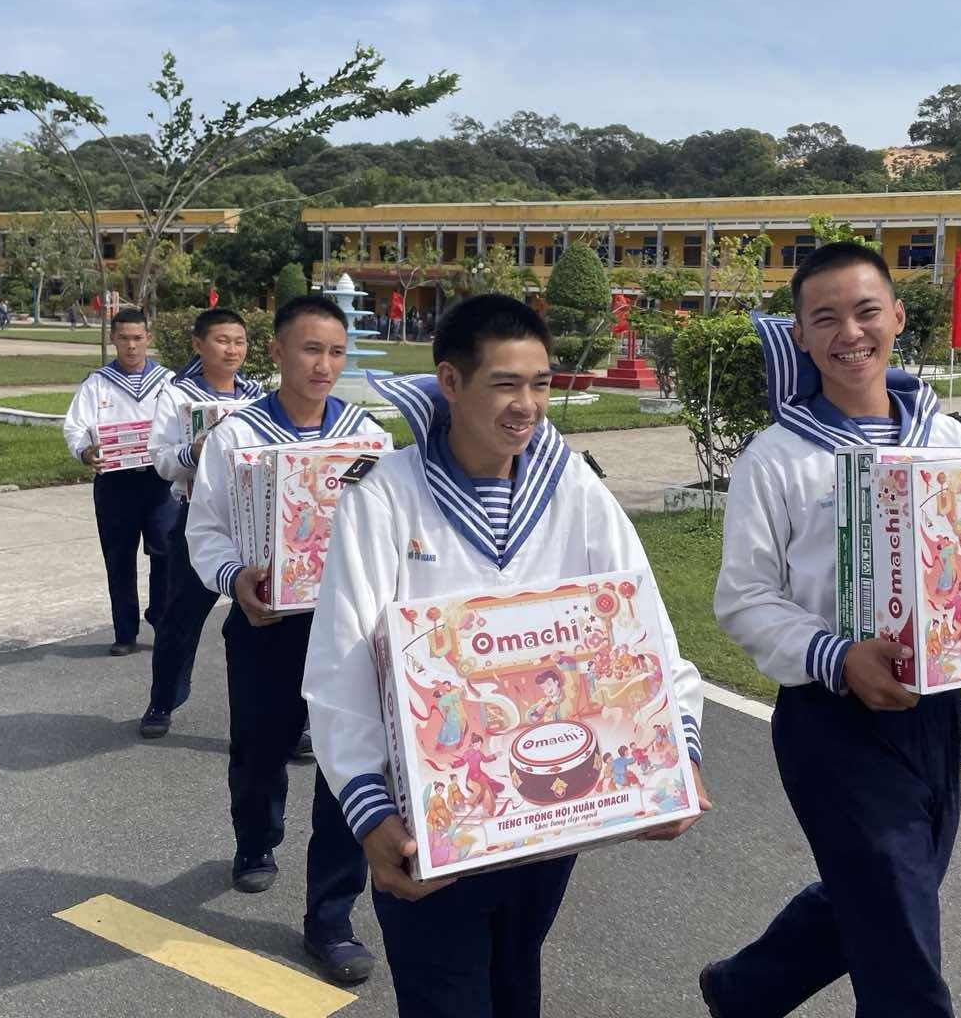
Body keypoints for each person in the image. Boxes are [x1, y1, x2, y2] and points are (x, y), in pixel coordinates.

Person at [699, 243, 961, 1018]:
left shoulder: (946, 439)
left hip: (934, 712)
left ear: (897, 317)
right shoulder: (778, 458)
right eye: (824, 318)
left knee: (889, 894)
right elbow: (744, 597)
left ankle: (745, 989)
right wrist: (835, 657)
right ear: (799, 335)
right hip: (830, 720)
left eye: (866, 311)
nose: (849, 332)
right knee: (902, 946)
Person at [304, 293, 709, 1018]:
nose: (526, 405)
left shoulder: (575, 490)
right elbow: (340, 666)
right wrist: (368, 814)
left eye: (541, 384)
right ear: (450, 384)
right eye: (505, 384)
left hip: (548, 819)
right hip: (431, 821)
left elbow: (645, 630)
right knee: (444, 996)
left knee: (516, 980)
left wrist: (679, 752)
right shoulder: (387, 496)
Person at [187, 295, 388, 985]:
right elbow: (205, 528)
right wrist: (234, 575)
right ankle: (255, 841)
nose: (324, 365)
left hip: (350, 632)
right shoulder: (237, 437)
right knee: (259, 748)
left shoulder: (369, 439)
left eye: (335, 352)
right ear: (277, 352)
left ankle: (331, 918)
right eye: (310, 350)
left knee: (349, 765)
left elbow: (392, 529)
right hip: (266, 622)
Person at [140, 307, 265, 739]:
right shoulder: (177, 396)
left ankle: (283, 715)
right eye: (221, 340)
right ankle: (163, 699)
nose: (232, 350)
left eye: (239, 341)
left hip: (255, 520)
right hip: (197, 516)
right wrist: (194, 452)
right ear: (198, 345)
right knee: (181, 615)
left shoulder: (258, 398)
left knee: (267, 614)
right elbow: (160, 459)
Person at [62, 308, 179, 655]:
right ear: (113, 338)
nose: (131, 346)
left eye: (137, 338)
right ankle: (125, 633)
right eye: (124, 338)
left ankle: (161, 619)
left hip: (160, 483)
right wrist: (85, 452)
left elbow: (182, 424)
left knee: (166, 554)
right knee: (119, 557)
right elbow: (74, 426)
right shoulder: (96, 383)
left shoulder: (168, 382)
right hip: (115, 483)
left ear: (148, 339)